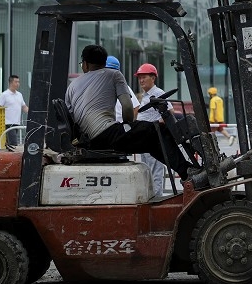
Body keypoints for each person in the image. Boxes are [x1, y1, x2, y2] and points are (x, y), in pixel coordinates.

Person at [65, 45, 200, 186]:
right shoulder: (113, 75)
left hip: (87, 139)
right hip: (106, 134)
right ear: (104, 63)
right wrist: (129, 125)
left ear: (85, 64)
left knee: (150, 140)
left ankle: (186, 172)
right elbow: (128, 106)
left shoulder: (72, 86)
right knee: (159, 131)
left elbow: (71, 116)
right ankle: (188, 172)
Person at [135, 63, 169, 198]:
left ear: (153, 78)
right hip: (145, 140)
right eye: (139, 78)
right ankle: (151, 197)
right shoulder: (146, 95)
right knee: (147, 171)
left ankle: (157, 199)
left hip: (154, 139)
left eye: (144, 77)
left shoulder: (158, 94)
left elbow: (168, 114)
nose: (141, 80)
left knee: (155, 172)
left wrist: (153, 126)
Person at [0, 74, 29, 149]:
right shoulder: (4, 95)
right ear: (11, 83)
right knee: (13, 143)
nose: (18, 84)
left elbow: (24, 106)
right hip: (7, 123)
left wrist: (32, 114)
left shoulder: (19, 95)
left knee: (9, 144)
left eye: (18, 82)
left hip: (16, 122)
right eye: (16, 82)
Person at [106, 56, 139, 124]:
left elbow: (135, 108)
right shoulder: (100, 88)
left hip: (118, 128)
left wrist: (127, 126)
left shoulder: (124, 87)